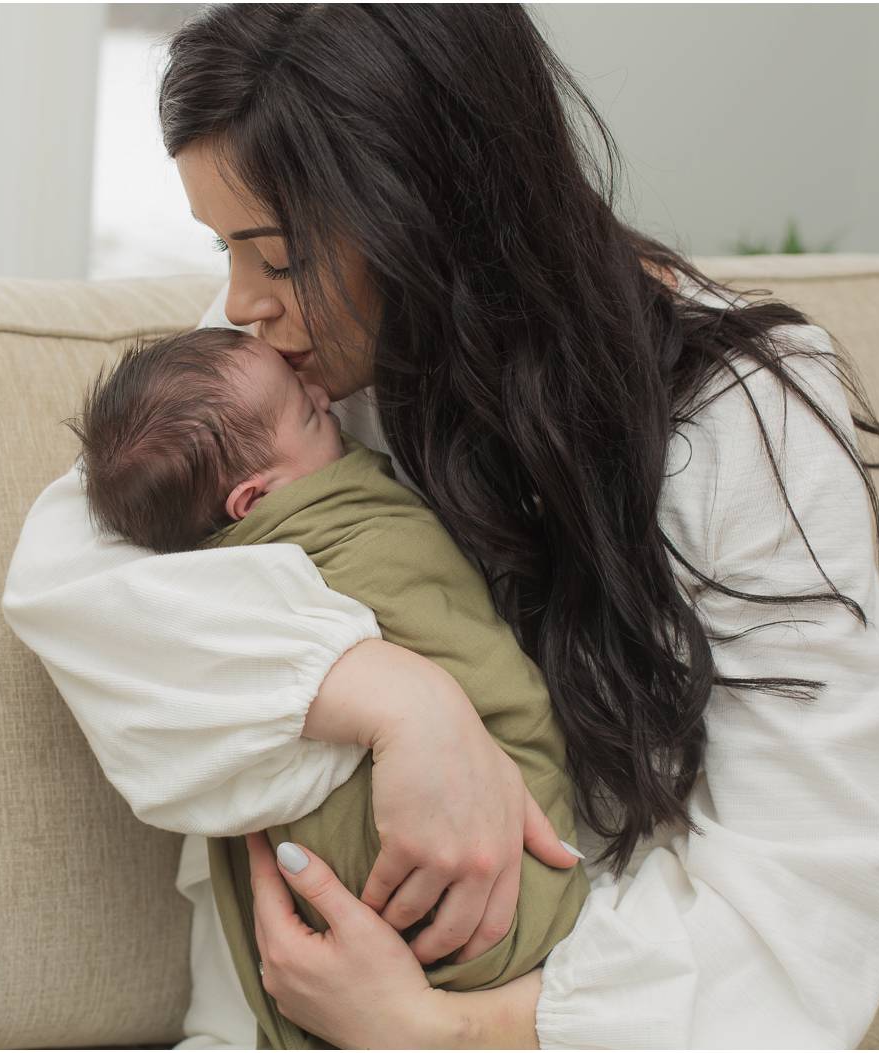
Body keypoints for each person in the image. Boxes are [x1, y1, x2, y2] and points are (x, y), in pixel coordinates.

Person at [2, 4, 879, 1047]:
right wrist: (398, 700)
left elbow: (808, 888)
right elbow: (66, 573)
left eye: (278, 256)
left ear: (426, 217)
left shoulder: (738, 414)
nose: (238, 303)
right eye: (225, 251)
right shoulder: (300, 372)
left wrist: (438, 1030)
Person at [59, 325, 589, 1047]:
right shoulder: (285, 555)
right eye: (307, 414)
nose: (321, 393)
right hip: (467, 912)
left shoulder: (265, 448)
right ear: (255, 499)